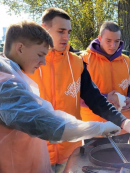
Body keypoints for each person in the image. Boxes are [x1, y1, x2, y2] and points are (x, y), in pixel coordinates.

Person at [0, 20, 123, 173]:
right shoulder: (5, 85)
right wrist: (99, 128)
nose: (43, 62)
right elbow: (48, 124)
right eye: (40, 54)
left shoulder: (15, 77)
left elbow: (49, 114)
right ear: (20, 48)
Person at [28, 8, 130, 173]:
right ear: (44, 29)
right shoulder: (26, 62)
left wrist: (124, 122)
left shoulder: (76, 63)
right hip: (36, 154)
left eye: (68, 31)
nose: (66, 37)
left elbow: (95, 99)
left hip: (70, 153)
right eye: (61, 31)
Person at [80, 21, 130, 145]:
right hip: (95, 129)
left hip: (122, 128)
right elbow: (78, 96)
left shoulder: (126, 61)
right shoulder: (84, 60)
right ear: (100, 38)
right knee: (94, 164)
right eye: (108, 41)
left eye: (117, 41)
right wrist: (107, 98)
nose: (113, 45)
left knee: (122, 163)